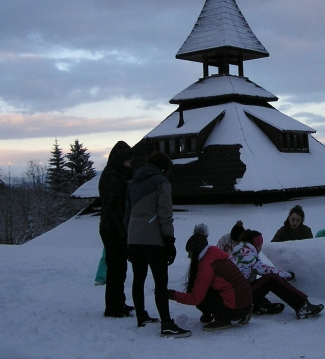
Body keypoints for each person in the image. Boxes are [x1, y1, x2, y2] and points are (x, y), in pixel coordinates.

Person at [125, 151, 190, 337]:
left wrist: (128, 241)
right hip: (153, 238)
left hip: (134, 237)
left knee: (139, 277)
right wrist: (169, 239)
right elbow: (165, 212)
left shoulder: (133, 183)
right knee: (160, 281)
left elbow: (127, 213)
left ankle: (141, 316)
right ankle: (167, 323)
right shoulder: (160, 181)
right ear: (163, 168)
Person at [168, 225, 253, 331]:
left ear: (197, 252)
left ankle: (223, 319)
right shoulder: (215, 255)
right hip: (246, 305)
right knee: (208, 289)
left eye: (190, 253)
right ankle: (237, 313)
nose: (189, 256)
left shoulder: (206, 265)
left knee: (202, 294)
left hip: (235, 309)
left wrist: (171, 294)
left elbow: (195, 298)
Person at [232, 229, 324, 319]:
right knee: (271, 279)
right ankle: (302, 306)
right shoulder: (248, 256)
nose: (261, 248)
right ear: (256, 245)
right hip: (239, 298)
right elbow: (267, 270)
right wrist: (288, 275)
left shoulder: (237, 254)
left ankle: (260, 305)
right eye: (260, 245)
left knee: (257, 284)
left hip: (232, 296)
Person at [98, 140, 134, 318]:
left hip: (112, 226)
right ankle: (113, 307)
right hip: (113, 228)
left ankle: (118, 302)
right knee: (116, 268)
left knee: (118, 268)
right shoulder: (112, 177)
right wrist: (122, 231)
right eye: (127, 160)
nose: (129, 164)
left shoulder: (114, 174)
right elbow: (114, 207)